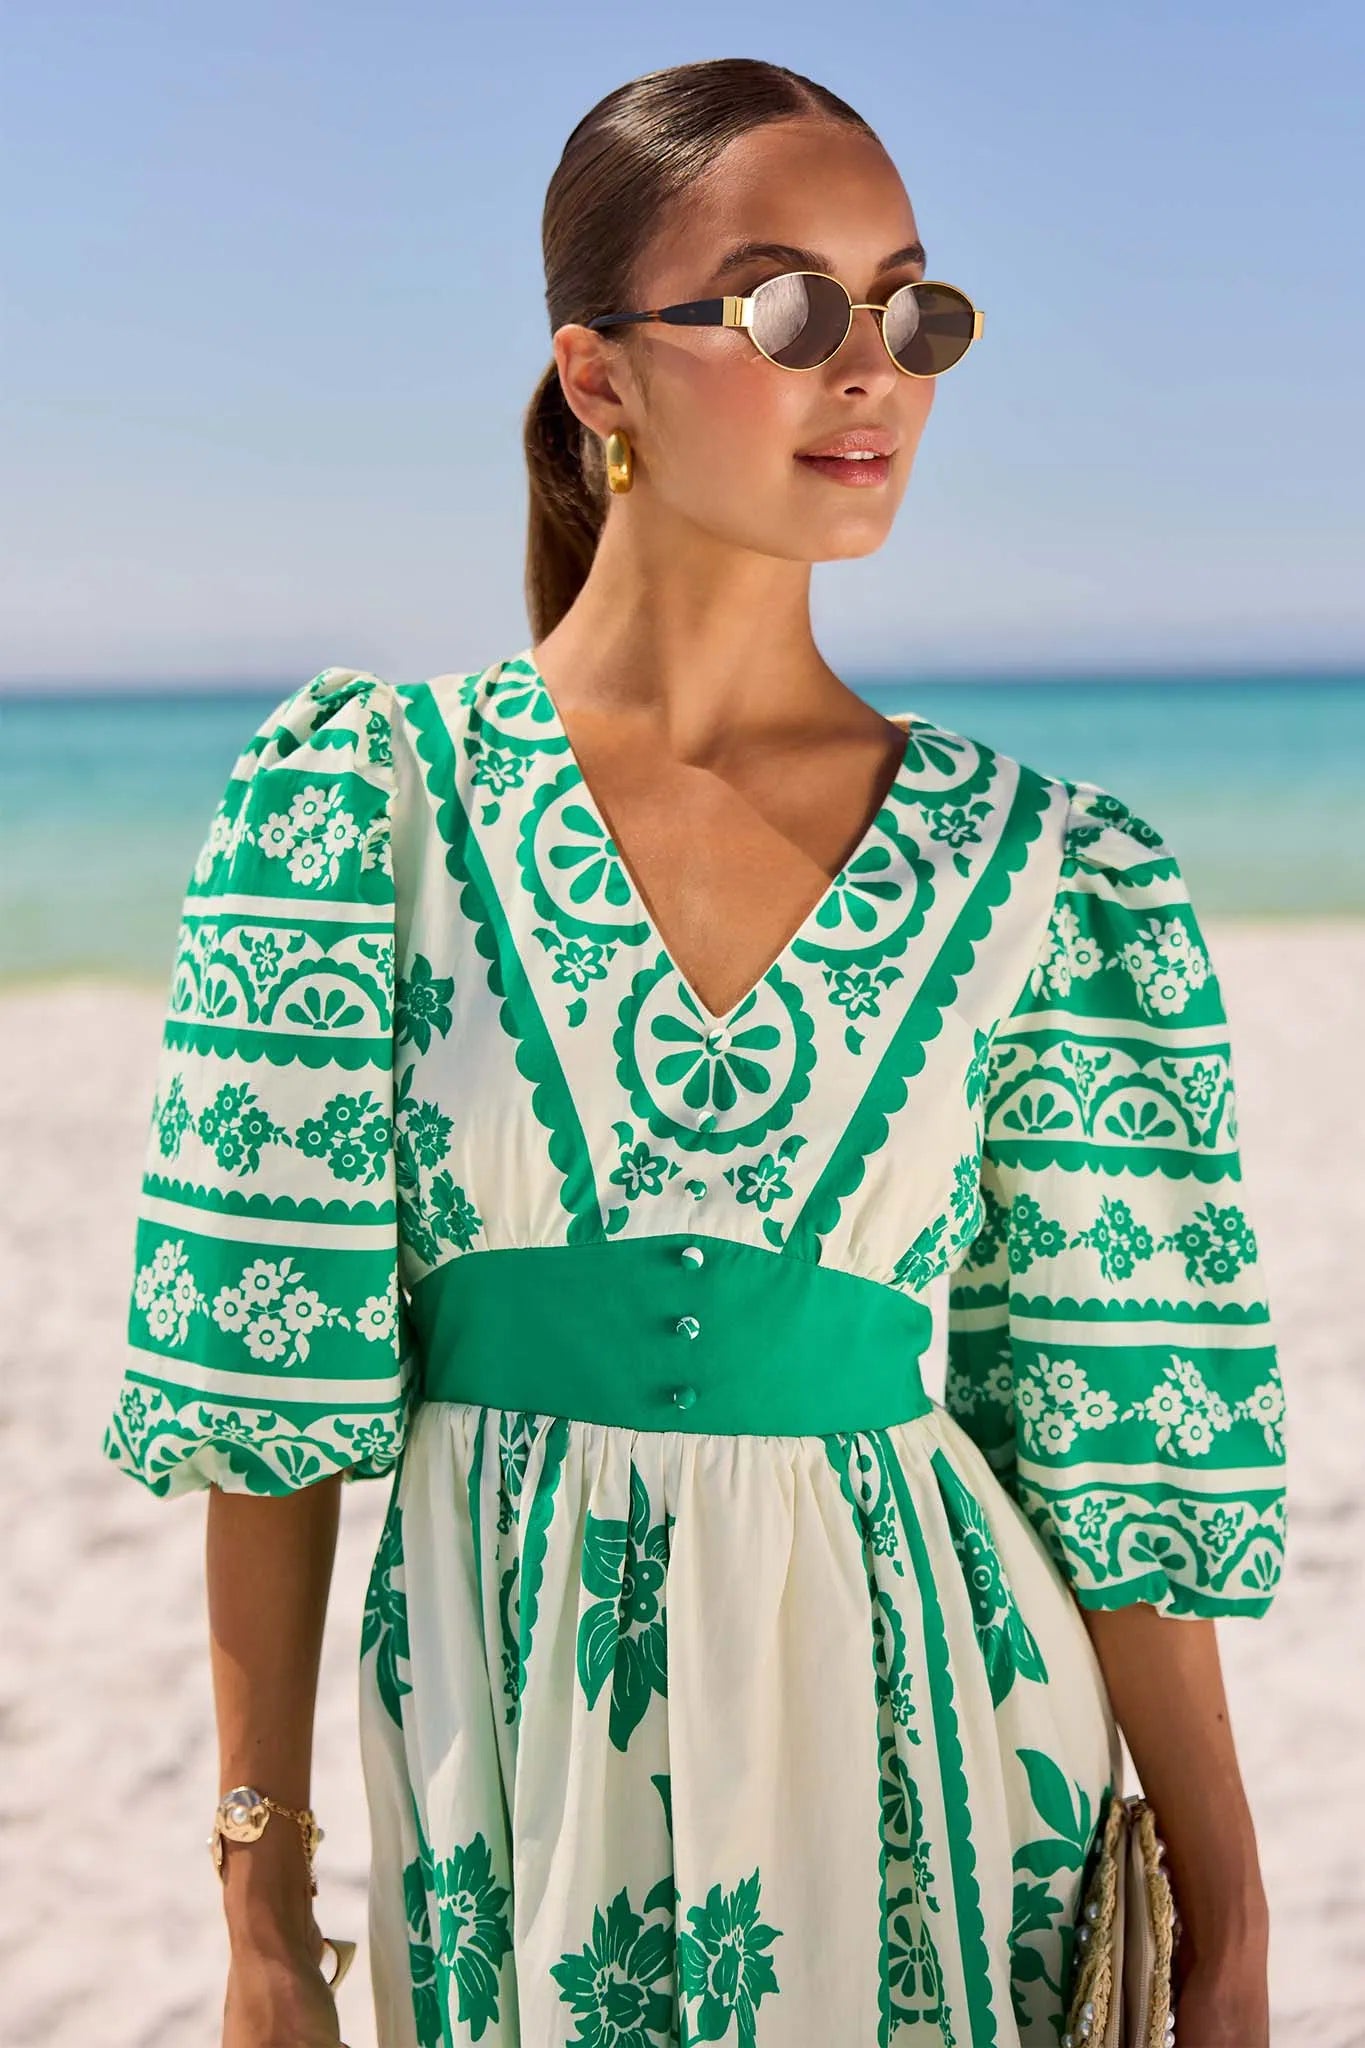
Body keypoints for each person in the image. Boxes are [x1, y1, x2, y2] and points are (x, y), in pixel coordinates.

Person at [101, 56, 1287, 2048]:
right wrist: (259, 1906)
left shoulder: (1048, 872)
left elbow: (1110, 1428)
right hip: (499, 1782)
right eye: (788, 306)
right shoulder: (361, 813)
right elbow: (265, 1400)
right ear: (598, 376)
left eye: (911, 308)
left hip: (948, 1773)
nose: (871, 367)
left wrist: (1229, 1922)